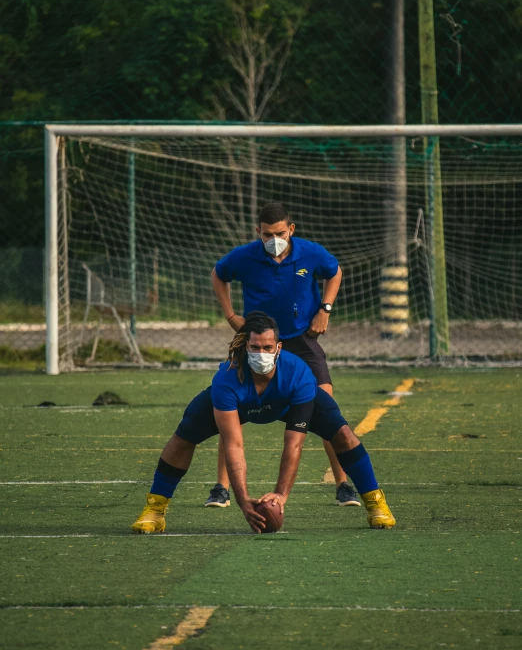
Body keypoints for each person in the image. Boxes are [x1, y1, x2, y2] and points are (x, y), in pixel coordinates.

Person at [131, 312, 395, 534]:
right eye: (255, 347)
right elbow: (233, 445)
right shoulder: (227, 377)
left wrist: (281, 495)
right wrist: (243, 500)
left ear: (278, 348)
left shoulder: (299, 374)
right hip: (242, 402)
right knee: (182, 439)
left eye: (268, 347)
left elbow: (294, 444)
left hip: (288, 400)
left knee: (344, 434)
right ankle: (155, 509)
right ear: (246, 347)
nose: (261, 353)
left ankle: (375, 502)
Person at [206, 201, 360, 511]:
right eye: (266, 234)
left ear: (291, 229)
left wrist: (325, 310)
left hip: (301, 339)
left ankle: (344, 484)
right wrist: (230, 315)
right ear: (257, 232)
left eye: (279, 233)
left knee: (327, 408)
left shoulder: (311, 252)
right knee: (231, 411)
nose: (273, 239)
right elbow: (218, 274)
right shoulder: (245, 256)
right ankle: (221, 488)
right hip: (257, 341)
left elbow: (335, 272)